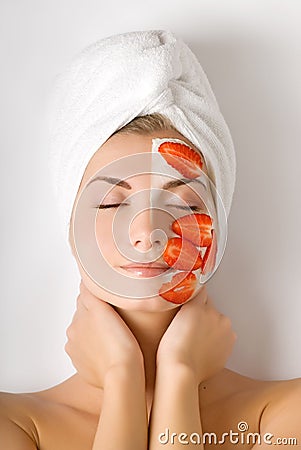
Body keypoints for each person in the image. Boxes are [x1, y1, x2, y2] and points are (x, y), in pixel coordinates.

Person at [1, 30, 301, 449]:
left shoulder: (286, 416)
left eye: (182, 202)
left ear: (219, 227)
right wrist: (122, 375)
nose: (146, 232)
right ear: (69, 228)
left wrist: (179, 374)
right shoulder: (13, 426)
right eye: (110, 203)